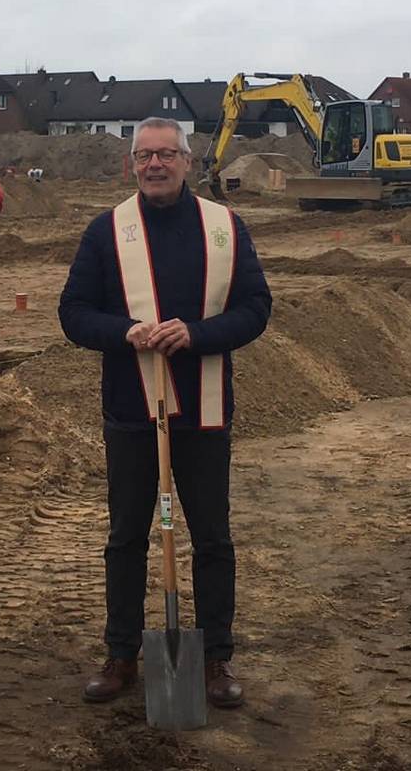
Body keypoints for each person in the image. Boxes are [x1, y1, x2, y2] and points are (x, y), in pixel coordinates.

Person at [59, 116, 271, 709]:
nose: (155, 165)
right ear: (132, 164)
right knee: (126, 537)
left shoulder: (225, 228)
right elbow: (73, 313)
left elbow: (256, 307)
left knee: (213, 539)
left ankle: (215, 658)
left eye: (166, 155)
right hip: (132, 411)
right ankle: (121, 653)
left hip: (203, 411)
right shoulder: (106, 233)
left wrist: (199, 334)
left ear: (188, 160)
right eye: (144, 156)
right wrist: (126, 331)